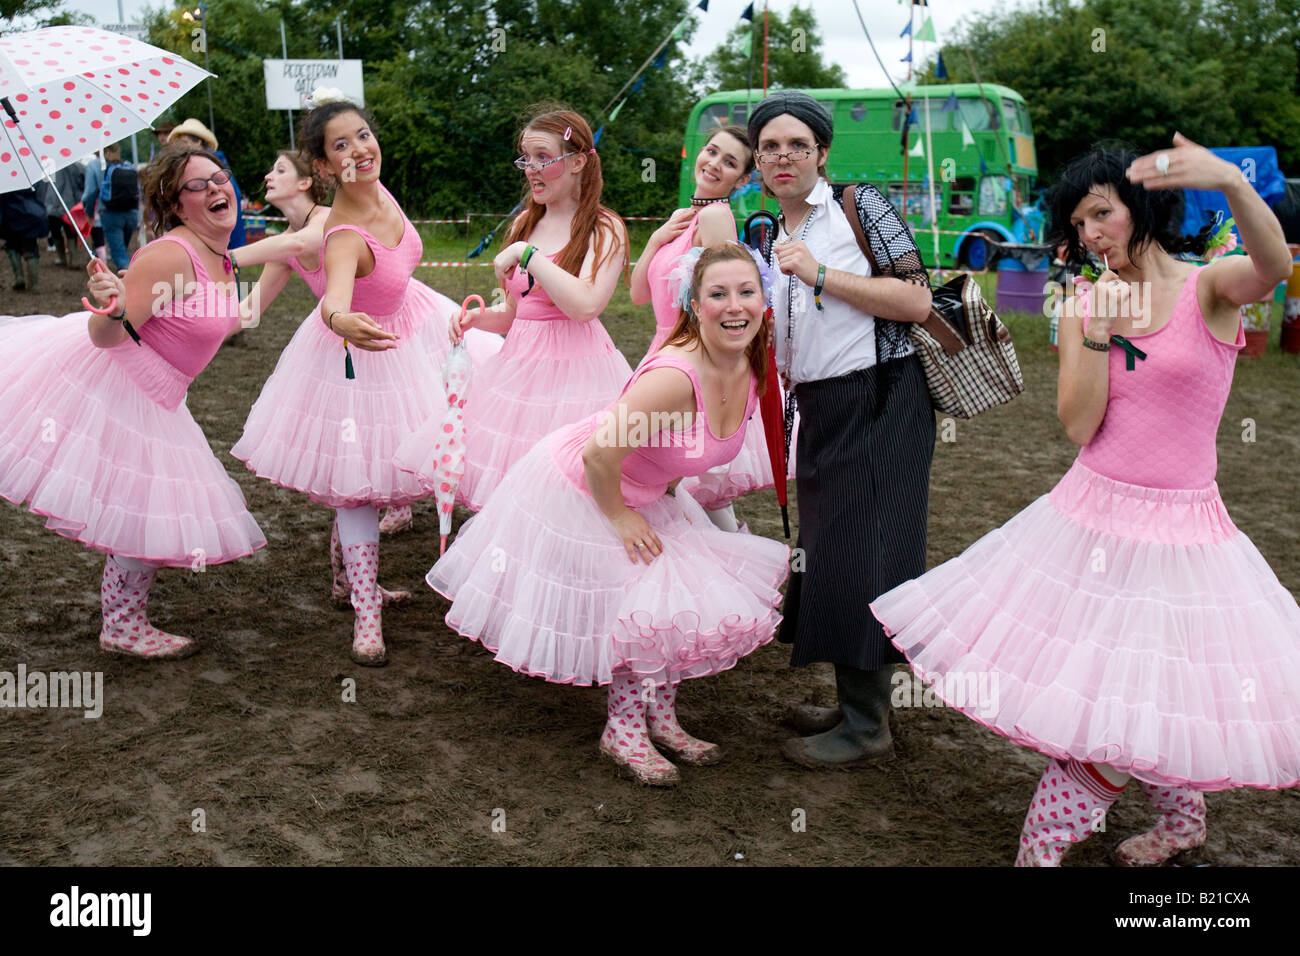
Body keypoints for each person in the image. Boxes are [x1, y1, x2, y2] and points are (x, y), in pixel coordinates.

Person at [870, 134, 1300, 866]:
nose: (1091, 235)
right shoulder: (1081, 303)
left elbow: (1275, 264)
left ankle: (1076, 839)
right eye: (1078, 224)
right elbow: (1078, 424)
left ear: (1142, 207)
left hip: (1186, 533)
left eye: (1102, 214)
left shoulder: (1207, 289)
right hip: (1089, 522)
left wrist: (1231, 180)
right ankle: (1123, 829)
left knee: (1151, 688)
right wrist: (1097, 333)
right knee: (1117, 692)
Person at [428, 242, 789, 786]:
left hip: (648, 487)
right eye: (718, 293)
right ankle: (622, 731)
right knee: (632, 600)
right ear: (694, 303)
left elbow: (686, 451)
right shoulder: (673, 379)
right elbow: (600, 453)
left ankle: (661, 718)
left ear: (765, 301)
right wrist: (620, 516)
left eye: (746, 292)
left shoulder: (752, 367)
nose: (734, 305)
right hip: (584, 483)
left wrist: (666, 495)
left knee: (673, 600)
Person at [230, 93, 480, 667]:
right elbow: (333, 299)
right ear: (322, 166)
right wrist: (341, 318)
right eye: (340, 146)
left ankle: (350, 585)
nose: (360, 150)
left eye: (363, 135)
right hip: (355, 356)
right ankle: (366, 614)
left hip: (409, 338)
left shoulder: (381, 192)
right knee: (355, 484)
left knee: (397, 468)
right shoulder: (340, 231)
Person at [0, 143, 267, 659]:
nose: (216, 188)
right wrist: (115, 307)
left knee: (143, 503)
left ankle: (123, 621)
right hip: (124, 382)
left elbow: (229, 317)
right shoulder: (172, 254)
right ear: (175, 201)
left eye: (220, 177)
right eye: (198, 184)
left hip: (164, 391)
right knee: (141, 502)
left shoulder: (219, 255)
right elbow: (107, 336)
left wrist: (290, 256)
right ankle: (122, 626)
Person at [746, 91, 935, 767]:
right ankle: (859, 702)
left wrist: (822, 274)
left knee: (867, 553)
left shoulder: (860, 206)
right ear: (758, 162)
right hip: (821, 408)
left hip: (883, 400)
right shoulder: (767, 228)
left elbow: (916, 299)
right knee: (832, 552)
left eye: (798, 144)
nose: (783, 156)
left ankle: (867, 726)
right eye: (770, 146)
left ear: (822, 154)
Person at [426, 107, 632, 511]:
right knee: (515, 494)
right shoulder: (523, 223)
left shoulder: (603, 228)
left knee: (570, 491)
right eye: (526, 158)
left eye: (543, 158)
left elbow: (585, 305)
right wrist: (477, 319)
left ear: (576, 162)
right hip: (519, 372)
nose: (531, 170)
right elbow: (514, 313)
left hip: (579, 377)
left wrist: (528, 254)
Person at [629, 125, 773, 533]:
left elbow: (723, 303)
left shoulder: (713, 217)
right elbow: (639, 294)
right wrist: (656, 239)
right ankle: (727, 574)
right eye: (711, 151)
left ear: (742, 180)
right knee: (683, 488)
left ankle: (729, 575)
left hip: (691, 360)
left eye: (729, 162)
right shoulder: (685, 217)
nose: (713, 164)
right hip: (664, 350)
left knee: (680, 483)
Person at [169, 119, 247, 249]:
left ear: (198, 141)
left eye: (184, 143)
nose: (213, 187)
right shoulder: (216, 163)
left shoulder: (213, 166)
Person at [0, 186, 49, 291]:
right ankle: (34, 284)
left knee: (12, 247)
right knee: (31, 248)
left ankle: (19, 277)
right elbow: (40, 194)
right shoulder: (28, 175)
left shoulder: (4, 178)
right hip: (31, 214)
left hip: (10, 216)